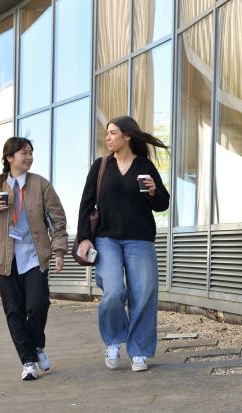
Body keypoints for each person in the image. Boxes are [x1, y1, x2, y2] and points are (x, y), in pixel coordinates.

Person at [75, 116, 169, 372]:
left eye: (113, 133)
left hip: (140, 239)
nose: (108, 137)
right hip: (107, 239)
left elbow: (162, 204)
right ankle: (115, 340)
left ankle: (139, 351)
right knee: (114, 291)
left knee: (144, 295)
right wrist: (84, 237)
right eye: (107, 133)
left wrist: (153, 192)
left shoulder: (144, 166)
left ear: (127, 136)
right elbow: (86, 203)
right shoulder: (101, 165)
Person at [0, 137, 68, 381]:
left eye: (30, 153)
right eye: (23, 153)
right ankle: (28, 361)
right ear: (9, 157)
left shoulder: (40, 184)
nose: (28, 157)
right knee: (14, 310)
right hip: (4, 257)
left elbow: (58, 220)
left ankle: (37, 344)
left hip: (34, 254)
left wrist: (58, 251)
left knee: (38, 305)